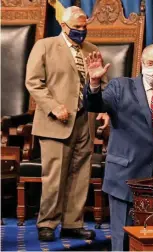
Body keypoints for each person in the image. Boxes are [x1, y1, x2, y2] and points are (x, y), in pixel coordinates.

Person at [83, 43, 153, 251]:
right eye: (149, 63)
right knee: (122, 242)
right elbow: (95, 105)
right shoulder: (120, 87)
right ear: (141, 64)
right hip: (125, 177)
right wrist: (94, 84)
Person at [25, 6, 109, 241]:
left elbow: (101, 85)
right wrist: (53, 106)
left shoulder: (92, 50)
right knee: (55, 176)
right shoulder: (45, 46)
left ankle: (73, 223)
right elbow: (33, 82)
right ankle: (48, 223)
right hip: (56, 121)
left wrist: (102, 103)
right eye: (77, 28)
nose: (82, 31)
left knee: (80, 175)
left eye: (84, 27)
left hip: (85, 120)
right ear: (64, 26)